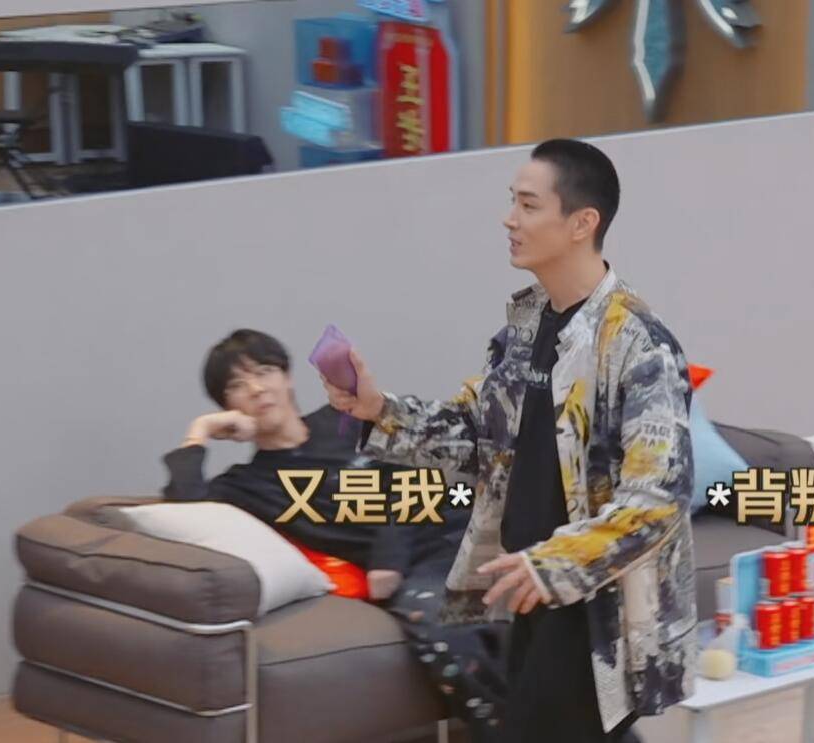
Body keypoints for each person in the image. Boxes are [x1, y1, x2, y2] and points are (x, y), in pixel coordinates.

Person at [322, 138, 697, 743]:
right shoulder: (524, 329)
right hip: (527, 592)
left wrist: (550, 565)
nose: (509, 219)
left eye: (528, 205)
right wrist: (378, 410)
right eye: (512, 202)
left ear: (582, 223)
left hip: (591, 609)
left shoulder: (638, 345)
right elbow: (476, 438)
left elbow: (657, 501)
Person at [162, 329, 508, 741]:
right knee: (446, 628)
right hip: (424, 569)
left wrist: (387, 559)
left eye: (265, 371)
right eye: (237, 385)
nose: (256, 389)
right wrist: (199, 431)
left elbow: (407, 476)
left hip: (454, 525)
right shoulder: (247, 484)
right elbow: (187, 508)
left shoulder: (344, 420)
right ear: (228, 407)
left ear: (287, 377)